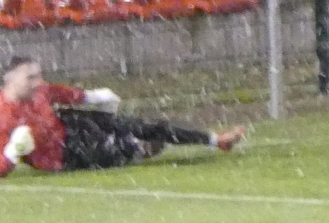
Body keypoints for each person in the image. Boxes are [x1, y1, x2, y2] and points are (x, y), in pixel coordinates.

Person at [0, 56, 243, 178]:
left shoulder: (40, 91)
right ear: (9, 80)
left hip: (71, 125)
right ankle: (138, 149)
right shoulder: (3, 116)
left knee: (144, 125)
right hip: (64, 156)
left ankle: (215, 140)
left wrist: (95, 96)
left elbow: (65, 94)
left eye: (38, 76)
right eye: (30, 77)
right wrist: (13, 152)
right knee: (128, 147)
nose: (37, 82)